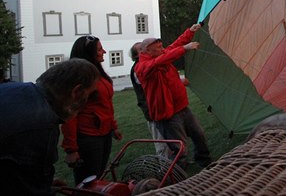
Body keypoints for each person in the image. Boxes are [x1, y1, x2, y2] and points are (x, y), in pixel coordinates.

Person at [0, 59, 100, 196]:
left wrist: (37, 180)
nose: (88, 102)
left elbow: (13, 176)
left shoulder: (16, 90)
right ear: (77, 92)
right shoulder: (39, 124)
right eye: (90, 95)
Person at [135, 23, 212, 168]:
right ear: (148, 51)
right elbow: (160, 61)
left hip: (182, 108)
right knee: (179, 147)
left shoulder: (161, 54)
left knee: (198, 134)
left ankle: (204, 161)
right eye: (158, 47)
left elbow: (175, 44)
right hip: (168, 114)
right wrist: (185, 49)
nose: (163, 49)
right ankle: (178, 174)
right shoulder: (143, 67)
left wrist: (190, 31)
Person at [61, 35, 123, 185]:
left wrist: (113, 127)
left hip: (104, 133)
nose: (104, 52)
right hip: (88, 137)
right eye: (100, 49)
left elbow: (105, 104)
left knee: (99, 175)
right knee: (88, 180)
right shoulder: (78, 78)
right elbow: (70, 115)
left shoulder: (97, 74)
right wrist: (71, 149)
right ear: (89, 53)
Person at [129, 42, 170, 157]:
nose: (145, 49)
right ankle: (164, 169)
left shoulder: (149, 64)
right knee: (161, 142)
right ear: (137, 55)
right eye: (141, 49)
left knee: (170, 138)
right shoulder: (139, 68)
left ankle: (174, 165)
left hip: (161, 108)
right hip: (152, 111)